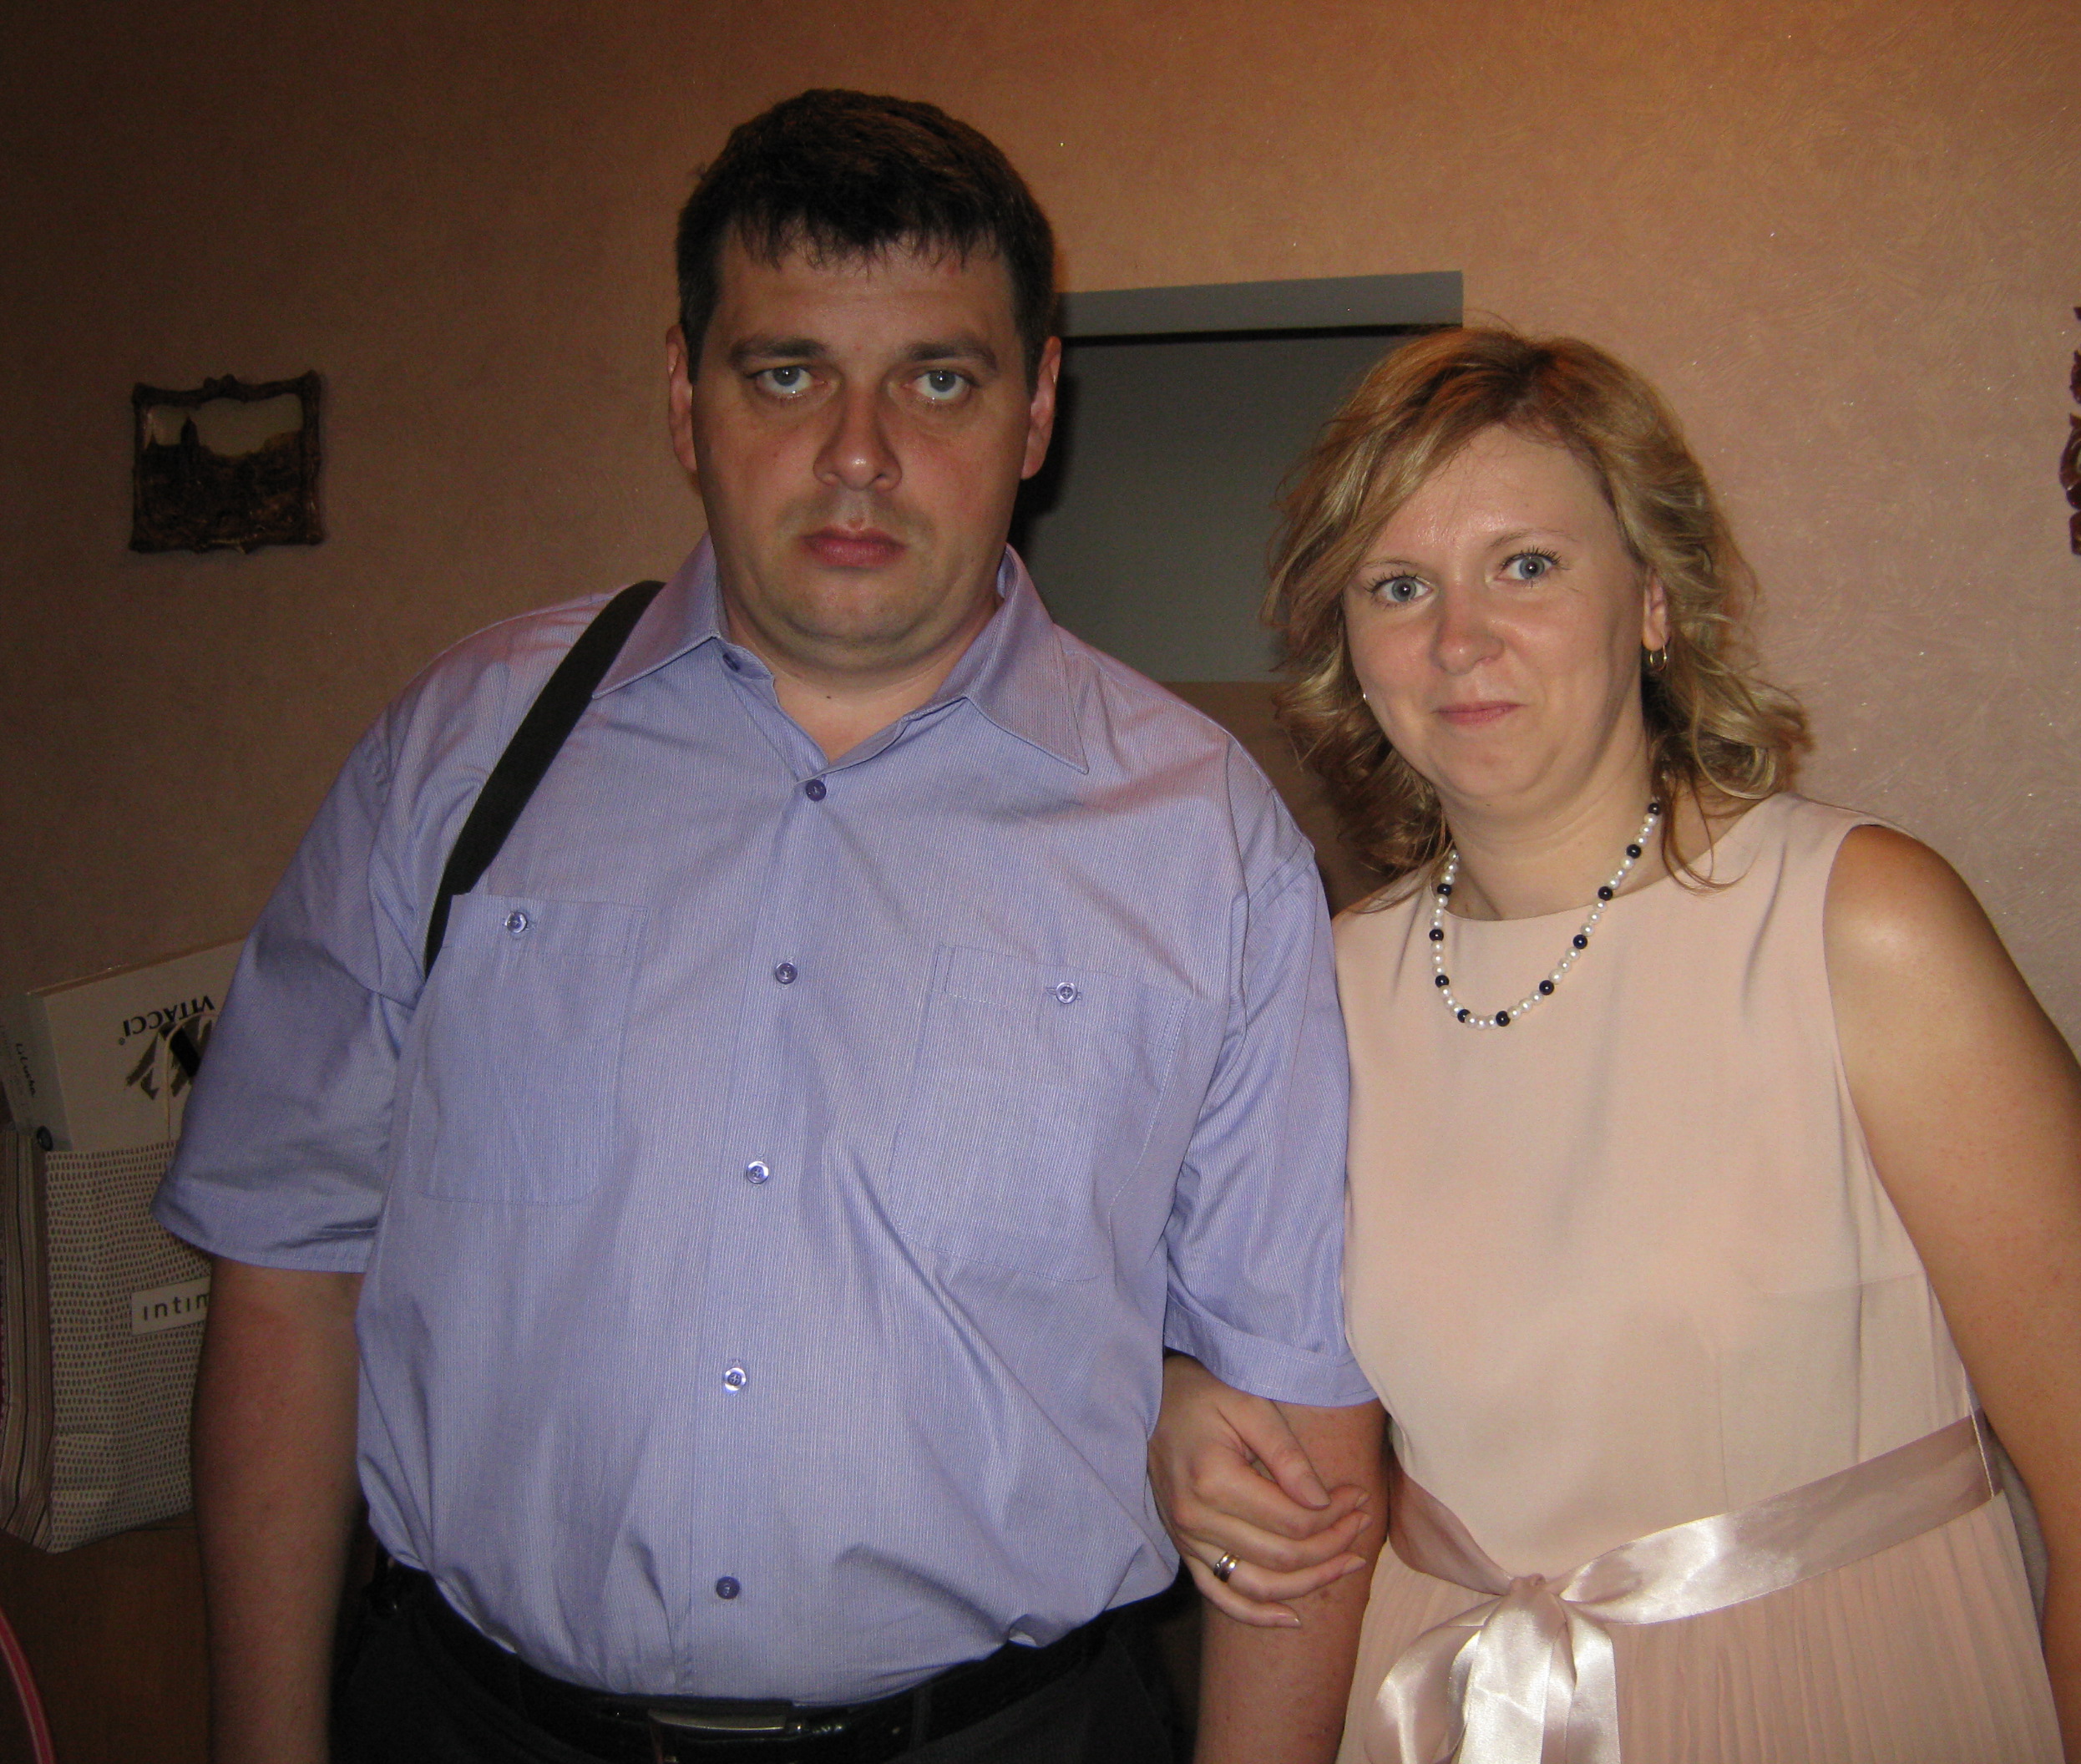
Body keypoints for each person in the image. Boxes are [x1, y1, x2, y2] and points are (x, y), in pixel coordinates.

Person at [157, 89, 1385, 1764]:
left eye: (937, 380)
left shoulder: (1204, 840)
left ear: (1036, 408)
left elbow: (1294, 1417)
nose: (857, 453)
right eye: (788, 372)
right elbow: (286, 1264)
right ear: (686, 396)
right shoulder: (461, 750)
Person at [1149, 329, 2081, 1762]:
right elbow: (1258, 1361)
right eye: (1400, 586)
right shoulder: (1321, 987)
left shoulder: (1859, 924)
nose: (1459, 641)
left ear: (1653, 599)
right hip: (1443, 1709)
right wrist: (1180, 1398)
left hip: (1834, 1705)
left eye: (1527, 566)